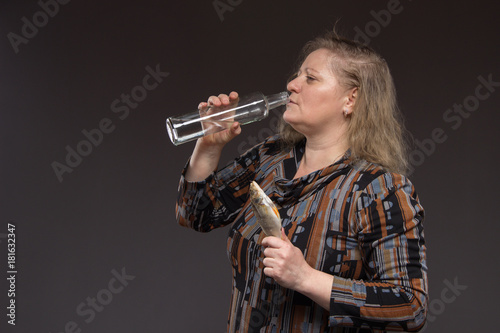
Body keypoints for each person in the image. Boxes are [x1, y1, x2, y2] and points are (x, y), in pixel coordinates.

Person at [175, 30, 428, 332]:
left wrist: (305, 277)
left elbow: (409, 306)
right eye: (297, 75)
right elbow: (194, 214)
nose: (291, 85)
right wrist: (209, 146)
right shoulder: (270, 157)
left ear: (351, 98)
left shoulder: (378, 188)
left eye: (310, 78)